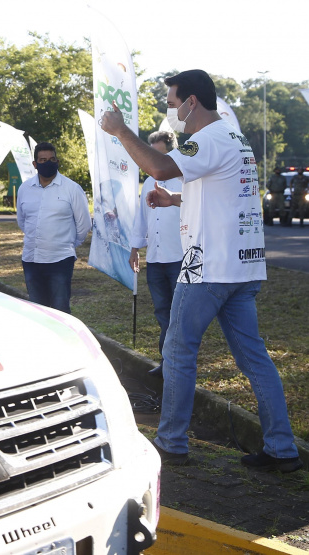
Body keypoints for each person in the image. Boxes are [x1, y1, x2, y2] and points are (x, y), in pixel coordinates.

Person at [101, 69, 302, 473]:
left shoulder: (206, 138)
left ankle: (171, 443)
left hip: (208, 266)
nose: (170, 111)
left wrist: (121, 131)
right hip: (241, 267)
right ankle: (283, 449)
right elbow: (221, 193)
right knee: (255, 359)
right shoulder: (233, 137)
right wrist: (177, 200)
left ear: (192, 101)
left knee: (177, 351)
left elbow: (158, 166)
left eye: (172, 103)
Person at [130, 131, 185, 379]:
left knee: (180, 316)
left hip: (181, 259)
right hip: (155, 260)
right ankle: (167, 363)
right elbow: (141, 219)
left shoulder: (187, 181)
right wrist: (135, 249)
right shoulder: (147, 184)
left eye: (159, 155)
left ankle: (179, 366)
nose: (154, 161)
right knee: (163, 313)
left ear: (173, 154)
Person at [16, 142, 92, 314]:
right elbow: (23, 221)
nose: (47, 163)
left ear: (57, 161)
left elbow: (84, 224)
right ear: (35, 164)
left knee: (60, 310)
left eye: (51, 159)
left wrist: (67, 244)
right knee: (37, 310)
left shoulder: (72, 189)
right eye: (42, 160)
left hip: (60, 260)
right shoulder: (24, 189)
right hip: (31, 259)